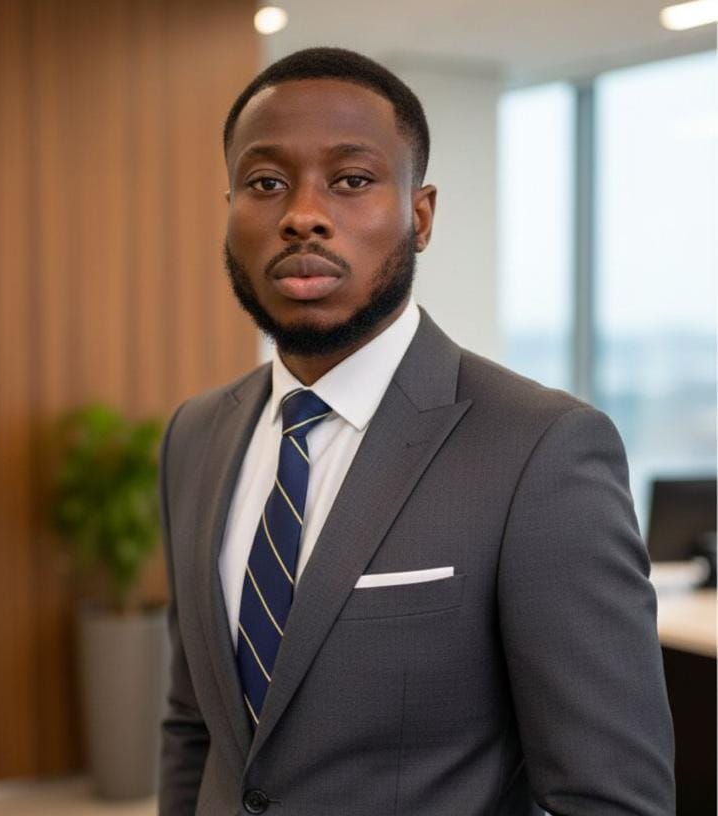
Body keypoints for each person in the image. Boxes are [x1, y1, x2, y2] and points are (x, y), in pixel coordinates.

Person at [158, 47, 674, 815]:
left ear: (419, 215)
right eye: (266, 183)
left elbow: (610, 797)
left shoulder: (540, 449)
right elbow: (195, 725)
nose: (302, 214)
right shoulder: (195, 434)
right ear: (230, 209)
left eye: (351, 180)